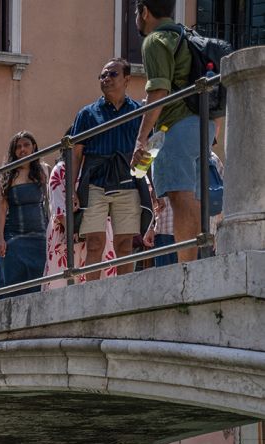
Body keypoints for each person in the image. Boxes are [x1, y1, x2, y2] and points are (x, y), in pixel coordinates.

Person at [133, 0, 218, 264]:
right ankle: (198, 259)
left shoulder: (155, 40)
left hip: (175, 125)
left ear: (144, 11)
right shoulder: (185, 34)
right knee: (193, 196)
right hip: (203, 124)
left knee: (180, 197)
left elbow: (158, 91)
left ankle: (187, 266)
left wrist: (141, 139)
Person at [69, 59, 145, 280]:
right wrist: (72, 188)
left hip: (128, 183)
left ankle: (123, 292)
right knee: (94, 243)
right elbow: (76, 154)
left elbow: (150, 147)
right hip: (95, 183)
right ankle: (91, 294)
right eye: (102, 76)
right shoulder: (87, 114)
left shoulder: (140, 112)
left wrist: (142, 178)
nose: (106, 79)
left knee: (125, 244)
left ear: (127, 79)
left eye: (112, 74)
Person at [45, 160, 118, 288]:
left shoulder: (98, 165)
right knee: (65, 281)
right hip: (67, 232)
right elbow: (59, 208)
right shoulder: (60, 169)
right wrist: (71, 230)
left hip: (97, 229)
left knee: (102, 280)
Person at [0, 131, 50, 294]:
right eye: (18, 147)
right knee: (13, 282)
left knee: (40, 281)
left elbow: (50, 203)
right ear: (13, 151)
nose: (22, 149)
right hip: (14, 236)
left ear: (34, 147)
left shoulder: (44, 170)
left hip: (40, 235)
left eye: (26, 145)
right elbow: (1, 208)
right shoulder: (5, 175)